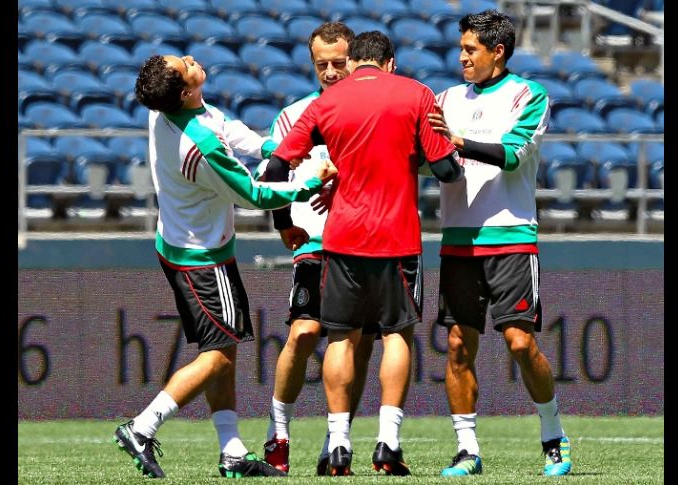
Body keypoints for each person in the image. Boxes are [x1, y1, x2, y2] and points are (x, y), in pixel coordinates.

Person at [112, 53, 337, 479]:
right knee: (217, 357)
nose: (191, 58)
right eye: (185, 65)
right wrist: (310, 181)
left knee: (222, 349)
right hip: (203, 258)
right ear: (185, 90)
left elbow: (233, 130)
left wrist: (285, 148)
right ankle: (143, 426)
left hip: (183, 244)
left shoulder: (173, 111)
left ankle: (232, 451)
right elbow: (253, 195)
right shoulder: (200, 143)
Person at [262, 31, 464, 477]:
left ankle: (337, 446)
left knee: (340, 338)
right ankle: (387, 445)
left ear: (352, 61)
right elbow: (448, 171)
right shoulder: (418, 94)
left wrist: (305, 195)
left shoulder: (324, 104)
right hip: (398, 237)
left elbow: (275, 167)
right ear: (390, 62)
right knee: (395, 335)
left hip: (341, 238)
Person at [426, 10, 572, 477]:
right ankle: (467, 450)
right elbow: (423, 155)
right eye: (461, 48)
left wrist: (457, 141)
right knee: (456, 346)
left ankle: (553, 433)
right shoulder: (444, 98)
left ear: (498, 52)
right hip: (457, 240)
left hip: (511, 238)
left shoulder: (529, 95)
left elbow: (511, 156)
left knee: (520, 342)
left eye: (471, 49)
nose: (462, 56)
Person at [256, 22, 377, 476]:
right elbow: (274, 174)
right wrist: (283, 221)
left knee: (355, 343)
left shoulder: (374, 110)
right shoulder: (294, 114)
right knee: (304, 333)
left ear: (355, 60)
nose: (329, 72)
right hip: (315, 239)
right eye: (321, 64)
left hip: (366, 239)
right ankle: (278, 431)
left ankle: (336, 437)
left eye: (338, 63)